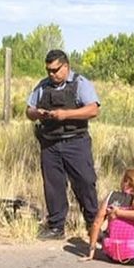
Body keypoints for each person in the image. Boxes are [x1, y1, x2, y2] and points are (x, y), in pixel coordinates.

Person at [26, 49, 100, 240]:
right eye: (48, 70)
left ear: (66, 66)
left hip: (76, 142)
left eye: (55, 70)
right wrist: (38, 113)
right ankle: (56, 226)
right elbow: (29, 111)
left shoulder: (80, 84)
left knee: (85, 183)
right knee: (53, 186)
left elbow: (93, 109)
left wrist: (66, 114)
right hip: (50, 143)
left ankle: (94, 224)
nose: (51, 74)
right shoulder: (42, 86)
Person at [80, 169, 134, 268]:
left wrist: (91, 252)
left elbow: (96, 223)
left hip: (111, 254)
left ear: (125, 182)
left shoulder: (112, 196)